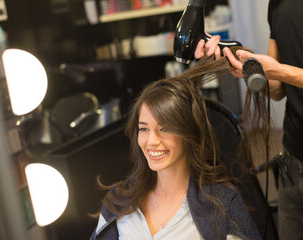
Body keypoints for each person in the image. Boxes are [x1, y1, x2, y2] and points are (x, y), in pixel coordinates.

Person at [195, 1, 303, 239]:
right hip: (293, 163)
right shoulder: (278, 4)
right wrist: (242, 63)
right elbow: (278, 88)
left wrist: (281, 71)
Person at [89, 50, 263, 240]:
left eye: (164, 129)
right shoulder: (120, 198)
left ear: (188, 132)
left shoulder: (222, 204)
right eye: (144, 129)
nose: (152, 141)